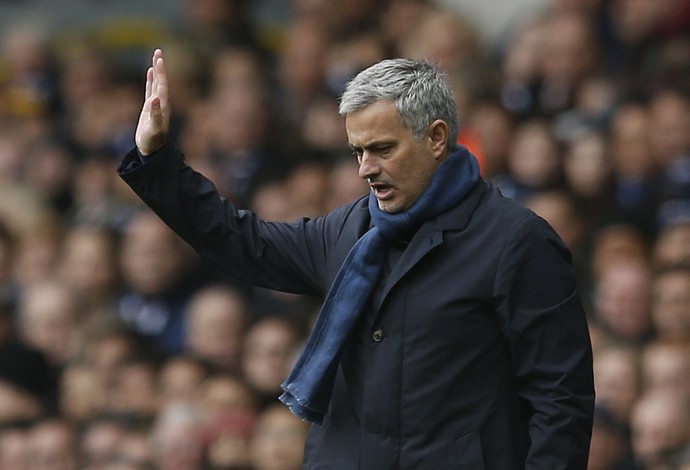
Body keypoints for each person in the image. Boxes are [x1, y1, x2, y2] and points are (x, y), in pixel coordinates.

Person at [119, 49, 594, 468]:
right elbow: (242, 241)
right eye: (357, 151)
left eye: (382, 149)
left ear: (436, 137)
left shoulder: (517, 242)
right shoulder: (352, 228)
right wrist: (157, 158)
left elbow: (560, 400)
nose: (366, 169)